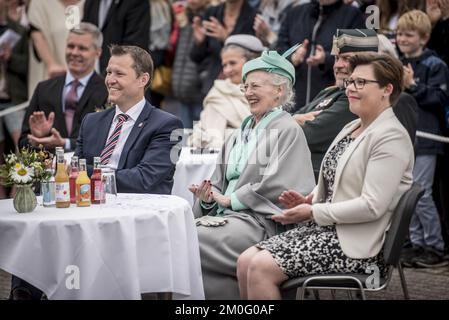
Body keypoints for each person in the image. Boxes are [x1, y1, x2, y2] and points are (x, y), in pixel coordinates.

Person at [237, 53, 415, 299]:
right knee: (245, 260)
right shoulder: (352, 127)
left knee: (259, 268)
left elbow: (372, 206)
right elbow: (337, 184)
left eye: (361, 83)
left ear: (387, 89)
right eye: (350, 82)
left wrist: (312, 212)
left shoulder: (390, 137)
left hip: (360, 247)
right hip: (329, 231)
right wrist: (309, 200)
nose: (350, 88)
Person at [189, 47, 315, 299]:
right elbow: (217, 182)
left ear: (279, 91)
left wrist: (231, 199)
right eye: (245, 86)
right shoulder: (239, 132)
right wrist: (208, 198)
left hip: (262, 223)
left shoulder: (287, 129)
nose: (248, 93)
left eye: (255, 86)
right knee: (184, 235)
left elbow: (281, 188)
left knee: (190, 241)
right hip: (231, 219)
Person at [293, 29, 418, 178]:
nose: (338, 65)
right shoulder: (330, 92)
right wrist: (293, 119)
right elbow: (288, 123)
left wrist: (294, 120)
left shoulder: (356, 97)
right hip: (307, 179)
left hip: (318, 180)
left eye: (346, 59)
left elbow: (310, 135)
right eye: (336, 58)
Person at [75, 45, 183, 194]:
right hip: (91, 207)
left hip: (141, 212)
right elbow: (73, 173)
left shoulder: (169, 126)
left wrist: (89, 173)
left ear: (143, 79)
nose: (110, 80)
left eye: (119, 74)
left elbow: (144, 179)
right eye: (108, 72)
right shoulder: (91, 122)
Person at [396, 10, 449, 267]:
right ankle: (415, 244)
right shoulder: (396, 62)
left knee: (422, 192)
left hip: (428, 139)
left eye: (408, 34)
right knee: (406, 192)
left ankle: (435, 245)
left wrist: (413, 85)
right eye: (398, 33)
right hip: (403, 137)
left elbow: (440, 100)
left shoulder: (435, 65)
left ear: (424, 38)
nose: (402, 39)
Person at [19, 22, 108, 153]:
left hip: (89, 172)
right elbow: (22, 143)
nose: (74, 53)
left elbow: (107, 142)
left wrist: (65, 144)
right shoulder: (43, 89)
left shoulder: (108, 91)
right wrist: (38, 138)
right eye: (70, 46)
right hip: (49, 172)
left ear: (98, 53)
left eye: (82, 48)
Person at [276, 0, 364, 109]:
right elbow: (279, 49)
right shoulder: (295, 12)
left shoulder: (352, 15)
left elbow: (360, 58)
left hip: (332, 101)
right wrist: (292, 58)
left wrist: (325, 59)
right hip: (294, 98)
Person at [189, 34, 264, 149]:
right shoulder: (218, 94)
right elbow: (212, 140)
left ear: (251, 62)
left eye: (233, 63)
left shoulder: (268, 92)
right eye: (224, 65)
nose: (227, 70)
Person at [190, 0, 258, 96]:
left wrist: (226, 38)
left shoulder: (254, 16)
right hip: (212, 85)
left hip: (242, 89)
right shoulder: (212, 13)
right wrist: (199, 43)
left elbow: (254, 55)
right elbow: (196, 57)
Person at [27, 0, 84, 97]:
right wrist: (52, 64)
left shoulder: (93, 3)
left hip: (85, 80)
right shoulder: (40, 3)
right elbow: (36, 35)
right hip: (52, 79)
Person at [82, 0, 150, 74]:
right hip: (91, 74)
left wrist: (107, 77)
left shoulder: (136, 2)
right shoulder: (91, 2)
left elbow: (133, 49)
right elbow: (84, 36)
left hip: (121, 76)